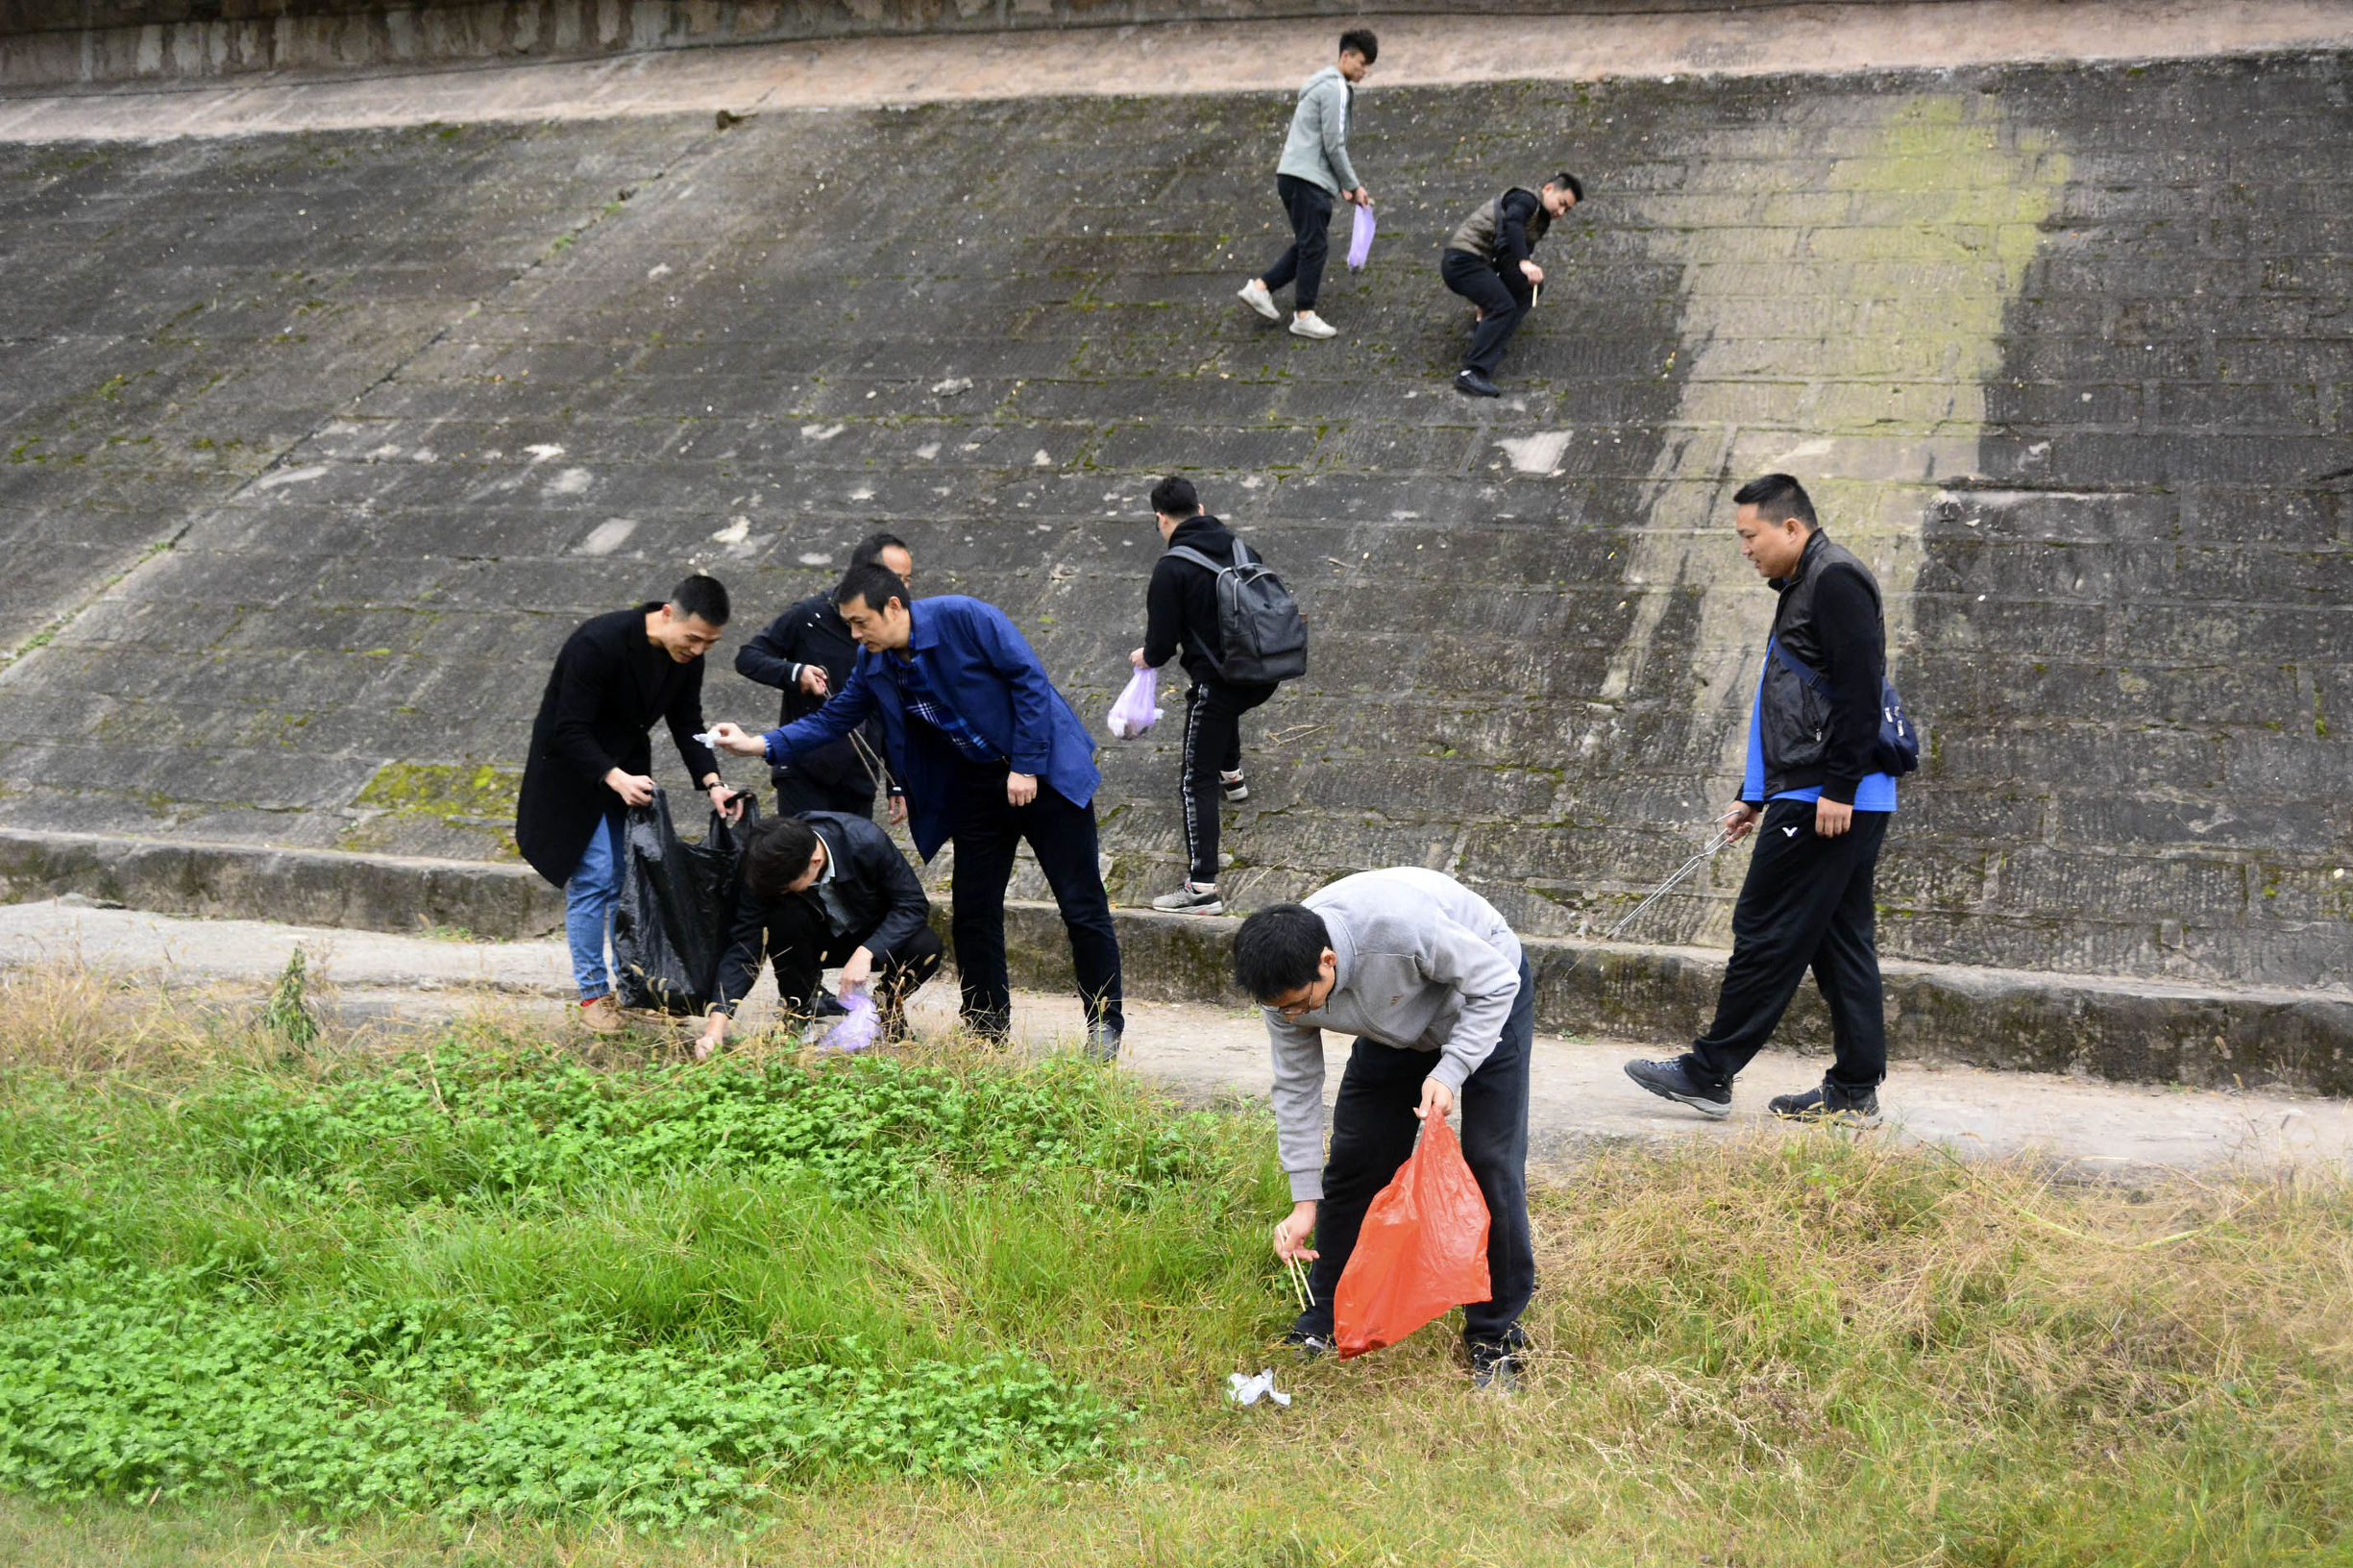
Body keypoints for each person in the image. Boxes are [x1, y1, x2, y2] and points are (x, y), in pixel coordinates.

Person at [709, 564, 1125, 1060]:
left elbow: (1029, 682)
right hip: (976, 787)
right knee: (973, 910)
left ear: (893, 606)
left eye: (861, 622)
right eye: (848, 625)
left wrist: (1028, 765)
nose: (855, 635)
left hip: (1044, 773)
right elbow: (836, 717)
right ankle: (985, 1028)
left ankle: (1104, 1024)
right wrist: (759, 744)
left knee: (1081, 906)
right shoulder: (875, 660)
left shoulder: (965, 617)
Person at [1624, 473, 1900, 1123]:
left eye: (1750, 536)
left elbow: (1862, 689)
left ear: (1790, 527)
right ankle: (1854, 1091)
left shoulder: (1833, 579)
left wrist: (1837, 787)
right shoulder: (1804, 582)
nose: (1744, 548)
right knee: (1840, 944)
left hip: (1829, 798)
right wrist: (1753, 797)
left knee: (1764, 930)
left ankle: (1707, 1072)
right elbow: (1790, 703)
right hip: (1818, 793)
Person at [1233, 869, 1535, 1393]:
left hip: (1484, 998)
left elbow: (1497, 982)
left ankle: (1495, 1335)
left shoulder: (1399, 928)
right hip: (1395, 1023)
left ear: (1327, 962)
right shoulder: (1285, 991)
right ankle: (1326, 1318)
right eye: (1282, 1010)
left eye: (1301, 1004)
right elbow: (1297, 1090)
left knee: (1489, 1160)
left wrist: (1451, 1069)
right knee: (1358, 1157)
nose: (1294, 1017)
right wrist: (1304, 1201)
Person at [514, 575, 742, 1033]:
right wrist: (613, 777)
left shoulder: (685, 658)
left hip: (627, 776)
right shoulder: (599, 642)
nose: (697, 650)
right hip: (571, 774)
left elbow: (686, 722)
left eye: (709, 644)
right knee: (596, 879)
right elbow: (567, 728)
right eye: (693, 638)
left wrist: (714, 782)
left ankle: (636, 993)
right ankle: (593, 997)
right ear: (666, 615)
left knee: (628, 883)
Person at [1130, 476, 1277, 916]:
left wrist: (1143, 657)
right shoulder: (1239, 548)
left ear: (1161, 518)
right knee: (1223, 712)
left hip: (1222, 683)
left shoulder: (1171, 568)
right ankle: (1232, 776)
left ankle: (1202, 888)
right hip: (1265, 672)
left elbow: (1159, 648)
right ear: (1200, 507)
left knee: (1195, 778)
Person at [695, 812, 944, 1060]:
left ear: (814, 861)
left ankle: (887, 1006)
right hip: (811, 939)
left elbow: (912, 904)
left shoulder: (867, 841)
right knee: (783, 918)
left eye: (786, 886)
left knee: (925, 946)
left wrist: (868, 951)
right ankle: (799, 1010)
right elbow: (744, 945)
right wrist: (715, 1028)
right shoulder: (764, 864)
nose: (780, 890)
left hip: (869, 933)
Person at [733, 531, 912, 823]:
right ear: (862, 575)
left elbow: (890, 707)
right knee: (808, 857)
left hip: (859, 769)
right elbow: (748, 657)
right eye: (895, 578)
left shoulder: (893, 629)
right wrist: (795, 672)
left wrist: (897, 779)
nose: (902, 591)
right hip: (804, 766)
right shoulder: (808, 615)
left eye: (907, 580)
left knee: (852, 861)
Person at [1237, 28, 1377, 342]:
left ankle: (1260, 289)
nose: (1365, 71)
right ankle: (1304, 314)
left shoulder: (1318, 86)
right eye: (1362, 63)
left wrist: (1339, 184)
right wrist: (1353, 185)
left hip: (1292, 176)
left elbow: (1316, 140)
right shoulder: (1336, 88)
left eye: (1368, 66)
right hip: (1307, 179)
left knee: (1307, 243)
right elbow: (1333, 143)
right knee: (1315, 246)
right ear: (1346, 56)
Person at [1441, 173, 1581, 398]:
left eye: (1567, 210)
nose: (1561, 212)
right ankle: (1472, 372)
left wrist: (1519, 273)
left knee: (1528, 288)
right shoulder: (1525, 199)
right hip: (1463, 260)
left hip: (1480, 264)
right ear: (1548, 189)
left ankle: (1492, 336)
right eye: (1562, 203)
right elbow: (1513, 223)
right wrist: (1525, 262)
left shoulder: (1539, 219)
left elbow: (1507, 259)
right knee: (1502, 305)